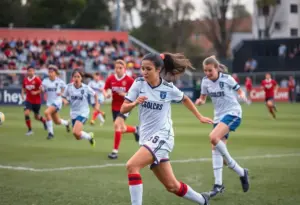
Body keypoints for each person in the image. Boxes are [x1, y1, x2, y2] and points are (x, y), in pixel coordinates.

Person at [122, 53, 213, 205]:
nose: (144, 72)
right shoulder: (138, 84)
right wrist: (134, 104)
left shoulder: (168, 88)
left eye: (148, 69)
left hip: (163, 136)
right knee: (172, 186)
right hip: (147, 139)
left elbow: (184, 99)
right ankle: (202, 200)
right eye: (142, 68)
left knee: (132, 166)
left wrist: (200, 116)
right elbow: (123, 108)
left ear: (158, 69)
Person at [195, 56, 250, 198]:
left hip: (233, 113)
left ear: (216, 68)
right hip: (219, 117)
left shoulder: (227, 79)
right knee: (219, 154)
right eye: (205, 70)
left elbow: (239, 90)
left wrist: (242, 95)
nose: (207, 73)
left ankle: (219, 185)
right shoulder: (205, 82)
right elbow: (203, 97)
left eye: (210, 70)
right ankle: (240, 173)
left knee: (213, 137)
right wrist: (200, 101)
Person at [104, 59, 139, 159]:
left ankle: (114, 151)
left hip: (126, 105)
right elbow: (105, 88)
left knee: (116, 125)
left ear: (124, 69)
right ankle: (136, 129)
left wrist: (126, 94)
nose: (118, 70)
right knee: (122, 128)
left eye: (120, 68)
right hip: (114, 106)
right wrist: (106, 94)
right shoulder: (111, 78)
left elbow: (136, 94)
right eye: (116, 68)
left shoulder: (129, 80)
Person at [62, 70, 96, 146]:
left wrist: (96, 105)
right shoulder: (68, 87)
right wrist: (64, 101)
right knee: (77, 136)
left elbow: (95, 94)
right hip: (74, 112)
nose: (76, 78)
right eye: (75, 77)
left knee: (75, 131)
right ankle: (89, 136)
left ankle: (89, 136)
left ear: (81, 78)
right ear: (72, 78)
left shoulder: (86, 88)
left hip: (83, 112)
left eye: (78, 77)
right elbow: (63, 97)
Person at [42, 65, 70, 140]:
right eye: (49, 72)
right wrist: (41, 89)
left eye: (52, 72)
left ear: (55, 73)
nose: (50, 73)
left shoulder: (60, 81)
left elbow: (66, 89)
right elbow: (42, 90)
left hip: (57, 102)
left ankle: (50, 133)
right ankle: (66, 123)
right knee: (57, 122)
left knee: (46, 113)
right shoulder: (45, 81)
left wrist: (62, 94)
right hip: (50, 103)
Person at [22, 66, 47, 136]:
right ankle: (30, 130)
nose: (31, 72)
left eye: (32, 71)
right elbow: (23, 88)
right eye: (29, 71)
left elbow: (42, 90)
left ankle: (44, 121)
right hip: (28, 100)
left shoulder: (37, 80)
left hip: (36, 101)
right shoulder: (25, 80)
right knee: (26, 113)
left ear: (34, 71)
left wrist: (36, 92)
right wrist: (22, 93)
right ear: (27, 72)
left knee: (37, 117)